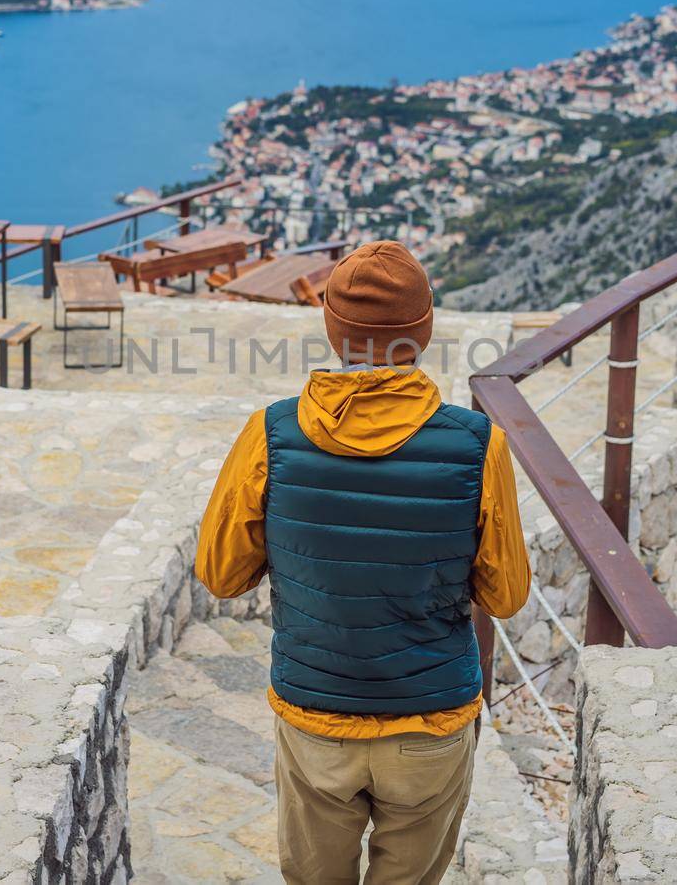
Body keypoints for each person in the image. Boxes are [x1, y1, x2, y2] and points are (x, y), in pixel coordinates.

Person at [195, 241, 530, 885]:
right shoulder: (478, 445)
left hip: (316, 716)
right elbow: (506, 594)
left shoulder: (272, 434)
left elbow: (220, 574)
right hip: (430, 723)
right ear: (423, 333)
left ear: (332, 329)